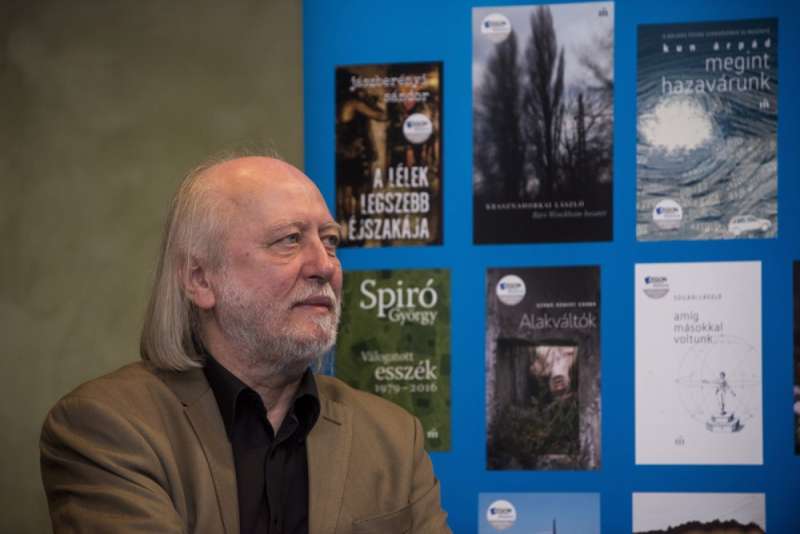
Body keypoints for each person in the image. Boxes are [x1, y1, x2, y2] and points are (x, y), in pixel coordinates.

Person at [40, 155, 451, 534]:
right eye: (289, 239)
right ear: (200, 279)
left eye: (330, 241)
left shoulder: (394, 437)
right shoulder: (108, 426)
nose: (324, 265)